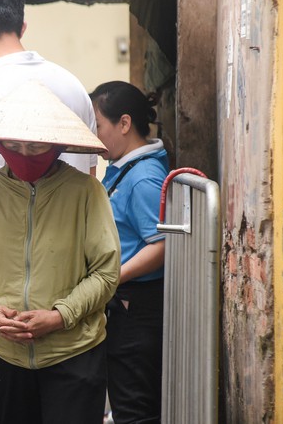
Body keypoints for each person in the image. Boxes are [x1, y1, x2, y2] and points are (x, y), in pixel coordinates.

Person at [0, 80, 121, 424]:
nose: (24, 154)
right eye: (13, 145)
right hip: (2, 355)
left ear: (56, 146)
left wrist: (59, 316)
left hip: (74, 353)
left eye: (36, 146)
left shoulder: (85, 191)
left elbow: (105, 272)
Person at [0, 0, 99, 344]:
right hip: (74, 290)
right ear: (23, 24)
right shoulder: (73, 86)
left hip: (9, 298)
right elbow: (90, 182)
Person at [90, 81, 170, 424]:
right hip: (125, 304)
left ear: (124, 123)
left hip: (138, 308)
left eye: (98, 126)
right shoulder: (124, 169)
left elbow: (163, 244)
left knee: (136, 410)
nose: (94, 137)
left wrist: (110, 278)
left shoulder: (143, 178)